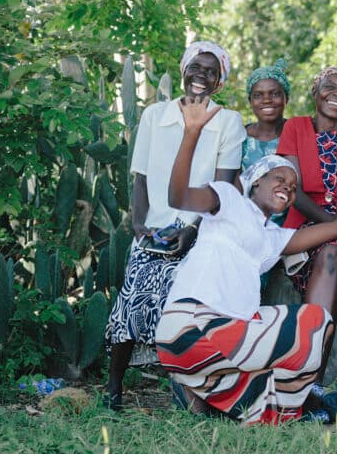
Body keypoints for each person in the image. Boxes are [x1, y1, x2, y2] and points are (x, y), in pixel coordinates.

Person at [155, 95, 337, 426]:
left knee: (315, 323)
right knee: (307, 327)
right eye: (280, 179)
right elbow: (178, 196)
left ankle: (198, 393)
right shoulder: (228, 200)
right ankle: (251, 401)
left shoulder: (271, 240)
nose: (288, 189)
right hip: (190, 324)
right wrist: (191, 132)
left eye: (293, 188)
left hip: (219, 342)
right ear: (257, 181)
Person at [104, 41, 246, 410]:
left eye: (211, 71)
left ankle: (190, 395)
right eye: (195, 67)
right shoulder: (155, 115)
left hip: (202, 232)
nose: (201, 75)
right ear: (183, 69)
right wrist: (138, 225)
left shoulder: (228, 122)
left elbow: (224, 186)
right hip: (152, 231)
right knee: (131, 304)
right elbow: (141, 176)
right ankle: (113, 390)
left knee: (184, 312)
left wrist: (194, 228)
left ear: (219, 83)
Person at [276, 66, 337, 302]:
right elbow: (293, 189)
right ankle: (312, 334)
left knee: (332, 254)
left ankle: (315, 335)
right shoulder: (295, 127)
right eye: (329, 87)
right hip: (306, 223)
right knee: (324, 253)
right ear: (315, 91)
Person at [241, 58, 291, 170]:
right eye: (258, 95)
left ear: (286, 98)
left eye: (275, 94)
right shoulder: (240, 137)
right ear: (250, 101)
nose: (267, 100)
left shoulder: (297, 134)